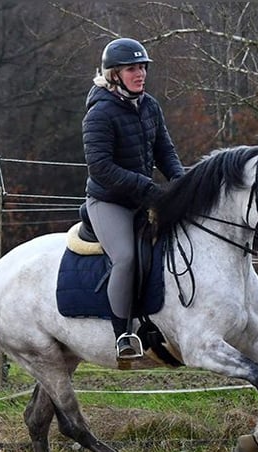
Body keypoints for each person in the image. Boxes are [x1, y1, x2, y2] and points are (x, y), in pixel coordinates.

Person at [82, 37, 184, 360]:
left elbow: (165, 151)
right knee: (126, 257)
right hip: (108, 201)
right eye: (132, 68)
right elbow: (100, 168)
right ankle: (122, 335)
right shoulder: (99, 113)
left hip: (142, 197)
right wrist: (145, 187)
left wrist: (182, 182)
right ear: (114, 74)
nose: (140, 73)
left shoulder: (150, 105)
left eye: (142, 67)